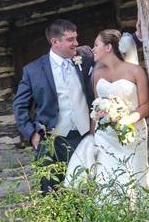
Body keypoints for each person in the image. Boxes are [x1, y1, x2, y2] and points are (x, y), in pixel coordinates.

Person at [64, 29, 149, 195]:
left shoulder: (135, 71)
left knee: (133, 178)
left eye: (96, 44)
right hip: (105, 137)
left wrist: (126, 120)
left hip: (132, 134)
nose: (93, 48)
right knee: (107, 180)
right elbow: (97, 107)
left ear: (108, 47)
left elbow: (145, 106)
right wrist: (92, 137)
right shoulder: (97, 75)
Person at [12, 19, 95, 194]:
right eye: (70, 40)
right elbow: (19, 106)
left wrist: (137, 37)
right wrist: (31, 134)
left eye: (76, 38)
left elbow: (110, 48)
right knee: (52, 193)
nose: (76, 43)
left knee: (86, 190)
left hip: (83, 137)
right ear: (55, 42)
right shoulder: (33, 70)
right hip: (50, 140)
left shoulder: (85, 56)